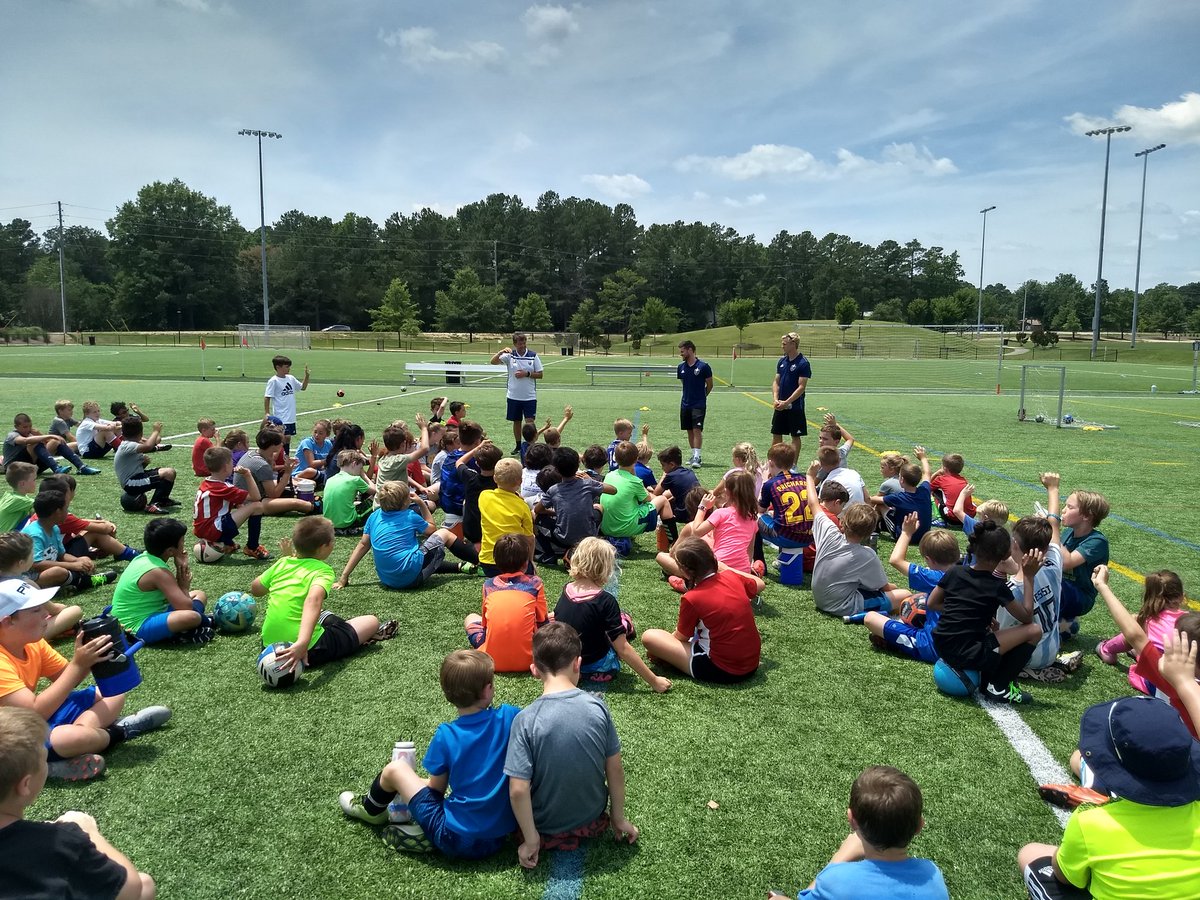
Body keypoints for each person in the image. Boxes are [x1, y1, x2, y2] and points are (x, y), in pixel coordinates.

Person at [338, 649, 520, 857]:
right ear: (487, 690)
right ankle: (424, 834)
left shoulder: (447, 735)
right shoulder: (510, 716)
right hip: (499, 838)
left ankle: (371, 810)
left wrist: (408, 784)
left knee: (395, 770)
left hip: (456, 836)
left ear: (447, 693)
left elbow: (437, 789)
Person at [1017, 694, 1200, 900]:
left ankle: (1100, 793)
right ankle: (1098, 792)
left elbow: (1065, 877)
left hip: (1097, 831)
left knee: (1030, 853)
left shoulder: (1089, 823)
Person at [0, 578, 171, 782]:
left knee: (111, 693)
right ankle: (117, 732)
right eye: (35, 610)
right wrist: (79, 664)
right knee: (66, 738)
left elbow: (66, 677)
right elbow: (33, 711)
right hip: (9, 739)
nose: (46, 614)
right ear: (7, 621)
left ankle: (78, 743)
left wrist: (95, 651)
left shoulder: (32, 643)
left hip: (31, 722)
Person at [505, 621, 640, 868]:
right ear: (578, 664)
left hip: (544, 824)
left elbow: (517, 790)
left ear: (534, 670)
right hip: (591, 818)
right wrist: (618, 819)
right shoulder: (598, 707)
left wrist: (531, 838)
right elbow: (615, 770)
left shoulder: (524, 720)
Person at [0, 706, 157, 898]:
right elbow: (131, 888)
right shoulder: (59, 842)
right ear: (26, 784)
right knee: (145, 885)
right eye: (44, 760)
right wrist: (89, 832)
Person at [769, 766, 949, 900]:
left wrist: (839, 858)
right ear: (919, 826)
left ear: (851, 819)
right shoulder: (932, 876)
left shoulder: (838, 881)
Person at [250, 517, 394, 673]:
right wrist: (302, 643)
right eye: (332, 540)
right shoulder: (322, 570)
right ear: (323, 547)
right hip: (309, 649)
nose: (333, 543)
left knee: (321, 614)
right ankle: (362, 638)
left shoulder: (282, 563)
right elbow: (313, 600)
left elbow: (256, 589)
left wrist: (284, 564)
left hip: (270, 647)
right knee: (371, 621)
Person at [928, 521, 1042, 705]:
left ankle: (989, 675)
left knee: (993, 633)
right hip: (967, 652)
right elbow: (1027, 617)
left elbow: (932, 603)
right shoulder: (997, 586)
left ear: (975, 548)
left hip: (942, 645)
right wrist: (1029, 576)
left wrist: (975, 613)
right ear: (1006, 555)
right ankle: (998, 686)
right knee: (1034, 630)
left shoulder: (955, 571)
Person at [552, 537, 669, 692]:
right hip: (593, 663)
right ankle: (625, 625)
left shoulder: (567, 589)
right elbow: (623, 649)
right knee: (619, 631)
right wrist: (654, 681)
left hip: (566, 662)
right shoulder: (605, 600)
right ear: (605, 567)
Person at [1093, 566, 1200, 734]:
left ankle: (1107, 649)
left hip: (1159, 687)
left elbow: (1134, 635)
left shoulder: (1174, 682)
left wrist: (1102, 585)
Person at [642, 538, 762, 683]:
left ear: (686, 571)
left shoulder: (692, 598)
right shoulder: (731, 576)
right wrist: (725, 568)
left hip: (721, 668)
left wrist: (663, 650)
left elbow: (681, 637)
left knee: (650, 637)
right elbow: (759, 584)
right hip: (751, 663)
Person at [852, 512, 959, 662]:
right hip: (965, 647)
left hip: (933, 647)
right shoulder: (968, 570)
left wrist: (906, 533)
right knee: (920, 599)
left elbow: (896, 560)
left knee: (870, 618)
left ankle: (897, 641)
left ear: (929, 560)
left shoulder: (934, 577)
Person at [335, 481, 476, 591]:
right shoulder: (409, 515)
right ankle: (483, 562)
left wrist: (344, 577)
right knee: (444, 534)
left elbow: (362, 545)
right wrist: (421, 503)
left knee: (414, 553)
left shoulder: (374, 516)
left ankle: (458, 567)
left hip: (388, 580)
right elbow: (432, 530)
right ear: (405, 502)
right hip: (412, 578)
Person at [111, 518, 212, 645]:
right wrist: (184, 587)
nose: (184, 544)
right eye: (182, 541)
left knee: (199, 594)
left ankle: (186, 629)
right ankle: (188, 630)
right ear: (170, 551)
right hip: (134, 627)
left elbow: (181, 603)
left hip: (153, 611)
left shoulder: (145, 557)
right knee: (192, 617)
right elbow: (186, 607)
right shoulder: (158, 571)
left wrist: (181, 569)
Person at [465, 533, 547, 672]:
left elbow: (486, 627)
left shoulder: (488, 585)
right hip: (531, 660)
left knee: (471, 618)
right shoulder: (535, 584)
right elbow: (543, 622)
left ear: (496, 562)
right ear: (526, 562)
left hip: (492, 660)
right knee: (553, 617)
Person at [657, 472, 758, 584]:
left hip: (719, 567)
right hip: (742, 570)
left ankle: (690, 584)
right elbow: (750, 550)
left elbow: (696, 532)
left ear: (728, 491)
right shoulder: (753, 519)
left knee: (662, 556)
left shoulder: (721, 514)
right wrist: (746, 572)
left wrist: (702, 507)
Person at [1040, 473, 1109, 635]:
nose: (1063, 511)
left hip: (1080, 596)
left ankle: (1052, 624)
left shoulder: (1097, 541)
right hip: (1062, 589)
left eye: (1070, 508)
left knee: (1050, 586)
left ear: (1087, 515)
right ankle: (1066, 624)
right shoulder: (1068, 533)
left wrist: (1053, 526)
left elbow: (1066, 562)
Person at [1095, 568, 1187, 690]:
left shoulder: (1147, 621)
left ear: (1149, 596)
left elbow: (1133, 632)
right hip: (1190, 683)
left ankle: (1106, 649)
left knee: (1136, 629)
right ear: (1182, 597)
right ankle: (1137, 651)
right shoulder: (1190, 620)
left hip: (1159, 686)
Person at [21, 491, 117, 595]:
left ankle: (68, 584)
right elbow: (36, 564)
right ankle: (85, 582)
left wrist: (78, 560)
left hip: (42, 573)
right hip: (26, 578)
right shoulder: (35, 534)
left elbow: (61, 555)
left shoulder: (54, 528)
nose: (68, 513)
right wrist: (73, 565)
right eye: (66, 509)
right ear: (57, 512)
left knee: (74, 566)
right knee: (59, 572)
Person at [534, 447, 615, 565]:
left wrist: (556, 512)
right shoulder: (587, 483)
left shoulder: (554, 490)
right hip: (587, 537)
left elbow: (538, 510)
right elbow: (613, 490)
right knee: (598, 507)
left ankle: (548, 555)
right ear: (578, 466)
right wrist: (591, 479)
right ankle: (596, 539)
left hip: (563, 539)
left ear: (557, 470)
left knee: (537, 517)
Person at [193, 447, 268, 560]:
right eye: (231, 462)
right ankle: (252, 547)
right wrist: (247, 474)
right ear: (225, 467)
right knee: (257, 506)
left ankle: (227, 543)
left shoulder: (206, 483)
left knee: (240, 507)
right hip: (213, 531)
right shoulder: (223, 488)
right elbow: (256, 497)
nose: (233, 464)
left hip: (202, 530)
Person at [600, 441, 673, 546]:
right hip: (624, 527)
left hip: (606, 528)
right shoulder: (635, 481)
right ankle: (673, 541)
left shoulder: (609, 475)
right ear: (636, 459)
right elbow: (648, 499)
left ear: (615, 458)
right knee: (663, 500)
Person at [233, 429, 317, 518]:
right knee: (296, 503)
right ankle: (315, 506)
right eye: (280, 442)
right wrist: (287, 472)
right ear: (273, 445)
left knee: (301, 482)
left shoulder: (252, 453)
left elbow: (267, 474)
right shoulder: (262, 465)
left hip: (246, 497)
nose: (282, 444)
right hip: (252, 503)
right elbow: (273, 495)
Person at [478, 459, 534, 577]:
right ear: (520, 481)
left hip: (489, 562)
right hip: (516, 563)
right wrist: (530, 561)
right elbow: (530, 539)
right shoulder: (522, 506)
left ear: (494, 478)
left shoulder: (484, 496)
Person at [491, 332, 544, 454]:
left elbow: (540, 374)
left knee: (530, 422)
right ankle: (518, 446)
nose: (523, 345)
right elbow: (493, 362)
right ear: (515, 344)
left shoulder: (533, 356)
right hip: (513, 395)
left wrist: (527, 374)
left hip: (529, 396)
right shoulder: (510, 356)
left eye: (524, 342)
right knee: (516, 421)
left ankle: (532, 445)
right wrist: (501, 352)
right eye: (520, 343)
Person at [869, 446, 932, 543]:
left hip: (905, 536)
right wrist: (923, 458)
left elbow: (873, 500)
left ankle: (874, 527)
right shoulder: (925, 491)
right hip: (925, 537)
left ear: (901, 480)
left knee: (881, 505)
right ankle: (881, 525)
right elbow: (927, 473)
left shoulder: (898, 498)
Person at [114, 419, 178, 513]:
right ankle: (153, 505)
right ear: (140, 433)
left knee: (168, 472)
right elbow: (148, 446)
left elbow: (153, 442)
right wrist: (156, 430)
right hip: (131, 483)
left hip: (135, 479)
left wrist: (143, 464)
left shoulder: (129, 444)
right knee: (168, 473)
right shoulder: (127, 445)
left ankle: (163, 500)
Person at [770, 331, 812, 453]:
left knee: (795, 436)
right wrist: (776, 399)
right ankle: (775, 463)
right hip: (780, 405)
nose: (782, 346)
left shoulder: (803, 363)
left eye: (784, 344)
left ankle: (793, 465)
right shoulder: (782, 361)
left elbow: (801, 387)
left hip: (794, 407)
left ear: (793, 344)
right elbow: (776, 382)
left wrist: (787, 402)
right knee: (776, 434)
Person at [263, 355, 309, 455]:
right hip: (281, 415)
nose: (289, 369)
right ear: (278, 367)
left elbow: (303, 387)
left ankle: (285, 457)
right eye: (286, 366)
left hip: (291, 415)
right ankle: (280, 458)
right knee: (283, 438)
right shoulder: (273, 381)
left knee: (287, 439)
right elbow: (267, 397)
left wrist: (307, 376)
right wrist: (267, 412)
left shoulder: (290, 378)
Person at [676, 339, 712, 468]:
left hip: (698, 404)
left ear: (690, 350)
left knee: (697, 429)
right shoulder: (681, 367)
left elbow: (710, 385)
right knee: (689, 430)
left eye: (682, 351)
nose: (681, 354)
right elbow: (684, 384)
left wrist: (702, 397)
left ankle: (698, 457)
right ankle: (693, 455)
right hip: (685, 404)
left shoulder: (703, 367)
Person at [2, 413, 72, 477]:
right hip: (13, 468)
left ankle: (81, 467)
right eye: (25, 427)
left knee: (55, 442)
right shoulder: (12, 435)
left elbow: (47, 443)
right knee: (34, 442)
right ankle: (56, 468)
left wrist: (39, 434)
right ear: (16, 427)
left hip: (30, 466)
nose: (28, 429)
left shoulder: (30, 434)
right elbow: (25, 441)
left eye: (30, 426)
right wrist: (50, 436)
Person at [324, 450, 375, 536]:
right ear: (354, 464)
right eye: (360, 468)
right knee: (376, 498)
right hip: (347, 522)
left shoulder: (330, 479)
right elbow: (374, 490)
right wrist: (364, 476)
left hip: (330, 523)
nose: (359, 471)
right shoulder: (355, 479)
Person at [930, 452, 974, 525]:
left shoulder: (941, 479)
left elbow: (926, 487)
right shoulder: (963, 480)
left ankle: (940, 519)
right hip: (967, 518)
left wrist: (936, 474)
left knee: (933, 492)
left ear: (944, 468)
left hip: (952, 519)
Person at [292, 419, 333, 484]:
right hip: (303, 472)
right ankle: (295, 479)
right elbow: (311, 464)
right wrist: (327, 460)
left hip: (317, 472)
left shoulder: (328, 444)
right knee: (310, 471)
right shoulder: (307, 442)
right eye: (315, 432)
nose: (317, 435)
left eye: (320, 433)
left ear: (327, 435)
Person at [0, 462, 37, 533]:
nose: (35, 483)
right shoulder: (18, 500)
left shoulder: (9, 495)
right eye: (34, 480)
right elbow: (43, 503)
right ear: (22, 484)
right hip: (5, 540)